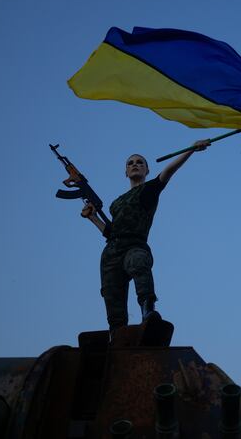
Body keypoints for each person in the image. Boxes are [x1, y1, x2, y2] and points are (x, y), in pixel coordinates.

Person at [82, 140, 211, 333]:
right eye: (131, 163)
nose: (135, 164)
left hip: (135, 245)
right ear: (126, 172)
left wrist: (191, 149)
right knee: (111, 294)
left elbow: (168, 172)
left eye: (140, 162)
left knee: (138, 262)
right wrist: (92, 217)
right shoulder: (116, 203)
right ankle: (117, 334)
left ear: (147, 171)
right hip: (111, 252)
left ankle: (147, 310)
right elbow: (110, 232)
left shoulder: (149, 189)